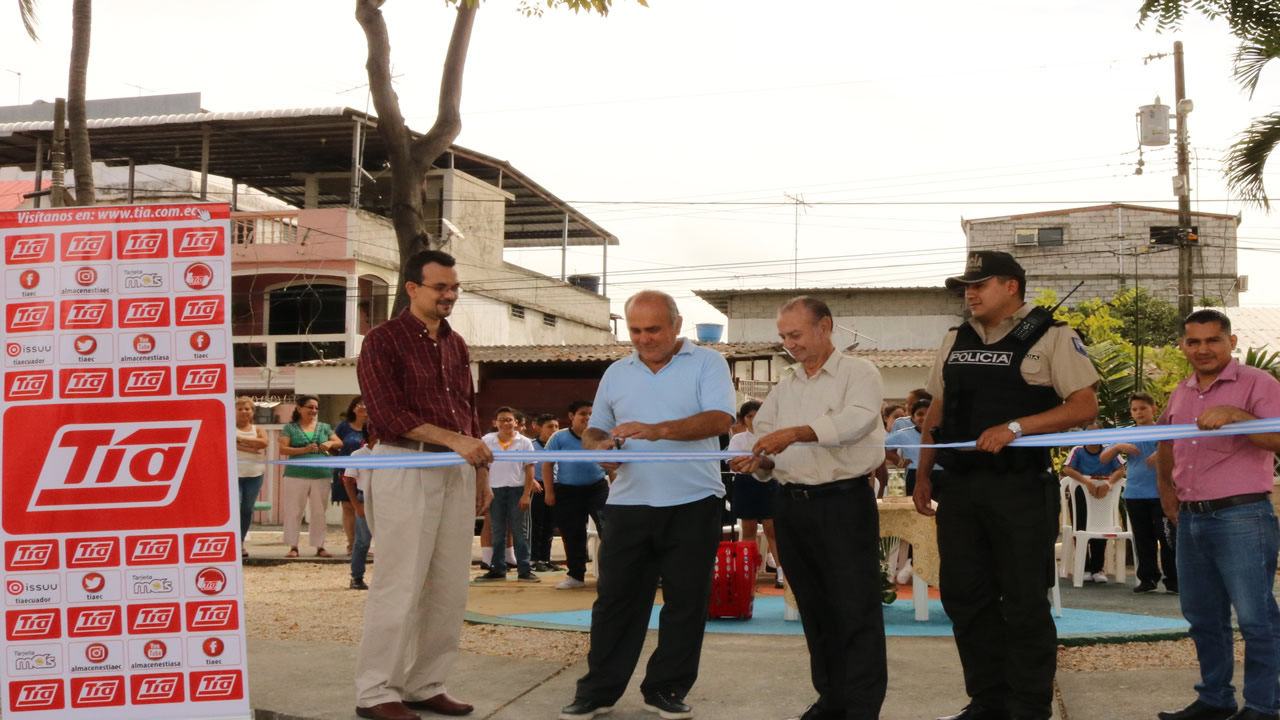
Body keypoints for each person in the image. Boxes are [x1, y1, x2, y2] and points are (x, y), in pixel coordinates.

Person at [913, 251, 1098, 720]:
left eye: (981, 284)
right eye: (966, 286)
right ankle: (987, 700)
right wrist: (922, 472)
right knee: (963, 596)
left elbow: (1083, 407)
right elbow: (937, 410)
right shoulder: (955, 338)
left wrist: (1016, 427)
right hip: (959, 486)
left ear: (1012, 286)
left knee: (1023, 600)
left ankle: (1029, 706)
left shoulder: (1053, 336)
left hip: (1019, 489)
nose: (970, 293)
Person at [559, 290, 735, 720]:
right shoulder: (617, 372)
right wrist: (600, 447)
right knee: (615, 601)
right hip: (628, 502)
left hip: (695, 501)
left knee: (686, 602)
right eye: (635, 330)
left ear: (676, 325)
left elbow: (719, 419)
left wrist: (657, 430)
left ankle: (666, 689)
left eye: (653, 329)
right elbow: (595, 429)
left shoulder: (708, 363)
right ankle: (597, 691)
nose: (644, 339)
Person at [730, 296, 887, 720]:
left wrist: (795, 434)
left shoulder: (860, 373)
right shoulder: (787, 384)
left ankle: (860, 707)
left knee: (855, 609)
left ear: (825, 327)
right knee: (814, 608)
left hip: (843, 503)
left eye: (795, 335)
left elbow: (856, 421)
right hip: (791, 506)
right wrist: (758, 461)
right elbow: (766, 438)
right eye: (783, 337)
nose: (790, 345)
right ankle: (831, 699)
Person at [353, 247, 494, 720]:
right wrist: (456, 442)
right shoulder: (382, 341)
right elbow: (389, 415)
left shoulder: (456, 344)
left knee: (450, 585)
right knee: (400, 583)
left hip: (455, 468)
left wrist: (480, 472)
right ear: (412, 288)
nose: (449, 295)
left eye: (454, 288)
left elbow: (470, 415)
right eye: (441, 287)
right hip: (402, 466)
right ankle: (377, 692)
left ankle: (426, 682)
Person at [1155, 309, 1280, 720]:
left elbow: (1278, 437)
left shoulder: (1258, 383)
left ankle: (1264, 705)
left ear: (1231, 341)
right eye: (1194, 342)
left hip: (1241, 515)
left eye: (1212, 340)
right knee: (1202, 616)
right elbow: (1166, 439)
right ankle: (1214, 699)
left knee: (1255, 617)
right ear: (1183, 346)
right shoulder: (1182, 390)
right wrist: (1167, 492)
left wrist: (1236, 417)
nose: (1203, 349)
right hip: (1191, 517)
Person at [1102, 392, 1177, 594]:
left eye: (1143, 408)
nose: (1138, 412)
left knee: (1168, 538)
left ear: (1153, 410)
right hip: (1135, 494)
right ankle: (1147, 578)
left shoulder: (1164, 432)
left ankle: (1174, 580)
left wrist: (1162, 451)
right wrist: (1118, 445)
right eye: (1134, 409)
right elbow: (1103, 458)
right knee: (1142, 538)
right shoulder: (1126, 433)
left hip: (1161, 493)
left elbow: (1182, 450)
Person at [543, 400, 609, 591]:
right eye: (583, 414)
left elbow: (612, 464)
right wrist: (549, 491)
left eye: (590, 413)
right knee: (572, 533)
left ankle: (610, 575)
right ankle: (576, 575)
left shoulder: (600, 436)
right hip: (568, 491)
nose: (587, 417)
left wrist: (617, 489)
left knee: (609, 531)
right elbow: (547, 464)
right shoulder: (559, 438)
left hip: (598, 489)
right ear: (572, 416)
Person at [475, 406, 540, 583]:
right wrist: (483, 490)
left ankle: (524, 569)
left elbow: (530, 469)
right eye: (502, 420)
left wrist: (526, 494)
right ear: (495, 423)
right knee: (497, 532)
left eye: (509, 419)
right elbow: (481, 466)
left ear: (516, 422)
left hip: (517, 490)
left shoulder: (524, 442)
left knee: (521, 532)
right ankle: (497, 569)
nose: (506, 423)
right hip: (494, 490)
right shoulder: (486, 440)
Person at [726, 400, 783, 589]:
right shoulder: (737, 439)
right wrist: (746, 463)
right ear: (743, 420)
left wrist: (759, 462)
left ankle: (782, 574)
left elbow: (776, 464)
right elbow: (733, 463)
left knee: (772, 529)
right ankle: (747, 575)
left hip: (770, 483)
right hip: (745, 483)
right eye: (749, 416)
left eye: (757, 415)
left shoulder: (773, 438)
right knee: (748, 529)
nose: (753, 420)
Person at [884, 397, 941, 584]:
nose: (924, 418)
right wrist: (898, 461)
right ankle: (914, 562)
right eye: (919, 414)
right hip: (915, 478)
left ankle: (930, 564)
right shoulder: (904, 433)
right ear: (912, 416)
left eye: (928, 413)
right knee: (917, 520)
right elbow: (881, 447)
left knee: (940, 521)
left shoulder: (943, 432)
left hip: (943, 478)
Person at [1060, 422, 1125, 584]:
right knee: (1080, 527)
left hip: (1103, 495)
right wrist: (1086, 482)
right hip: (1081, 494)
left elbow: (1121, 470)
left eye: (1097, 433)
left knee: (1101, 528)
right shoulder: (1078, 450)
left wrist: (1107, 484)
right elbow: (1067, 469)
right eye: (1089, 432)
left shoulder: (1109, 449)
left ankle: (1097, 568)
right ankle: (1084, 567)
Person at [278, 395, 341, 559]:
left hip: (321, 474)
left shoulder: (324, 427)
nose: (313, 411)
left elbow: (339, 442)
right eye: (310, 407)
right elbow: (283, 449)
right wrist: (303, 450)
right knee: (294, 511)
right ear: (299, 408)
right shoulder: (290, 428)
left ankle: (320, 546)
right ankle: (293, 546)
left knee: (319, 511)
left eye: (316, 408)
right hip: (295, 474)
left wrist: (330, 443)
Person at [333, 396, 370, 555]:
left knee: (367, 509)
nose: (362, 407)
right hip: (345, 473)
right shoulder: (343, 427)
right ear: (353, 408)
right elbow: (335, 447)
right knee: (348, 508)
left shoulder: (374, 427)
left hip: (368, 474)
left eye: (366, 404)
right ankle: (351, 545)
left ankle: (364, 545)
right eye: (359, 404)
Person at [234, 397, 268, 559]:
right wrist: (250, 447)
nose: (243, 412)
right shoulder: (228, 427)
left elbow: (263, 443)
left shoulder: (258, 428)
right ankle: (232, 542)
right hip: (234, 474)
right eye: (240, 409)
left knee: (247, 509)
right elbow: (226, 442)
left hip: (254, 474)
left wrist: (239, 440)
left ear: (252, 411)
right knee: (236, 507)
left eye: (247, 409)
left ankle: (240, 542)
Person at [342, 438, 375, 590]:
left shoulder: (389, 453)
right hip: (365, 498)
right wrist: (356, 505)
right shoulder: (358, 454)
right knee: (362, 541)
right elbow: (348, 480)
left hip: (386, 497)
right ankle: (357, 576)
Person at [530, 413, 561, 573]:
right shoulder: (531, 445)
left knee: (550, 525)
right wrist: (531, 481)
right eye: (550, 426)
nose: (554, 430)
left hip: (555, 485)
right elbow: (523, 465)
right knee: (537, 524)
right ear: (539, 427)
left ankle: (545, 559)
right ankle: (533, 560)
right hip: (537, 486)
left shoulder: (559, 444)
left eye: (556, 426)